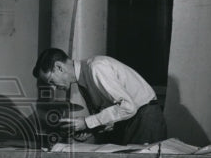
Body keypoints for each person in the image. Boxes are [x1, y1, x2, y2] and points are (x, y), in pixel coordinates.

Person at [31, 48, 167, 145]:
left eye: (51, 81)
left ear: (59, 67)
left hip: (145, 119)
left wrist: (86, 122)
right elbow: (115, 113)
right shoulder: (82, 80)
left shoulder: (96, 68)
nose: (53, 87)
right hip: (134, 120)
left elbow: (128, 107)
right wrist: (91, 129)